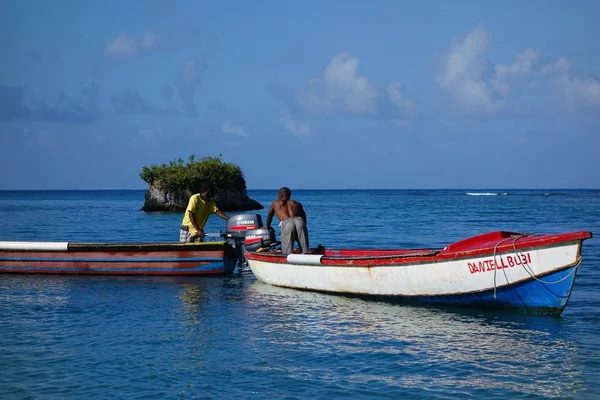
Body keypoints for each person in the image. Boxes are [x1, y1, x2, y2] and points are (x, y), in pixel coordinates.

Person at [265, 187, 309, 254]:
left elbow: (269, 216)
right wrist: (303, 227)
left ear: (280, 195)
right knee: (304, 248)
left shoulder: (275, 203)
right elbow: (304, 216)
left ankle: (286, 259)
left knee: (287, 251)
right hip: (299, 221)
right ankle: (306, 256)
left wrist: (268, 226)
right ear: (289, 195)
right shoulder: (297, 204)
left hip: (287, 223)